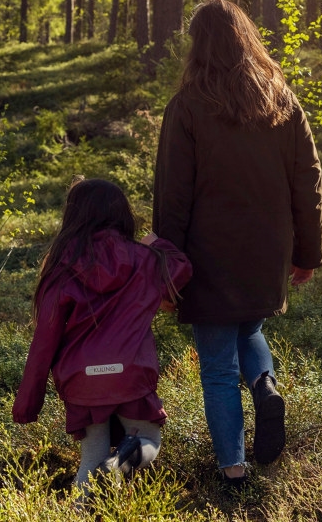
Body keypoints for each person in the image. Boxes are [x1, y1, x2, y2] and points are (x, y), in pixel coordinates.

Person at [153, 0, 322, 484]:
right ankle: (266, 385)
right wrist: (307, 253)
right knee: (248, 330)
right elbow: (307, 180)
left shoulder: (186, 107)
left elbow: (173, 196)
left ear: (197, 47)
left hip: (208, 259)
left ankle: (233, 469)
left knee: (216, 366)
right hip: (266, 251)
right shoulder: (281, 100)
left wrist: (166, 264)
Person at [13, 178, 194, 489]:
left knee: (91, 456)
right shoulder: (144, 259)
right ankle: (120, 463)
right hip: (130, 373)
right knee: (148, 437)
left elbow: (44, 342)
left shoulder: (61, 266)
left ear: (73, 217)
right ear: (122, 213)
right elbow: (182, 267)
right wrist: (156, 243)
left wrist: (28, 405)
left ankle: (81, 511)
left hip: (82, 380)